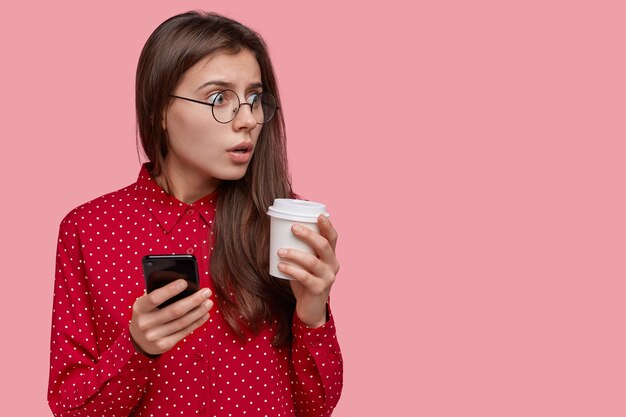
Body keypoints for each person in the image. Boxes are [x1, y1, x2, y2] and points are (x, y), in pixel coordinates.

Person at [47, 11, 343, 417]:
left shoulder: (283, 222)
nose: (247, 121)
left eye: (255, 99)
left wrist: (313, 311)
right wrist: (136, 349)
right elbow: (71, 408)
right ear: (159, 112)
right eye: (219, 98)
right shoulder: (90, 229)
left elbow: (318, 407)